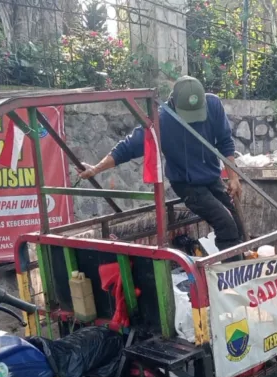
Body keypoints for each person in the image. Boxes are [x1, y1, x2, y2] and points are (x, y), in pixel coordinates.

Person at [78, 76, 245, 256]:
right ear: (173, 103)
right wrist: (96, 168)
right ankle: (232, 274)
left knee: (237, 222)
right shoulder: (161, 119)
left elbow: (225, 142)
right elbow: (128, 147)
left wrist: (234, 178)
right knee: (225, 223)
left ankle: (242, 265)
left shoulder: (213, 105)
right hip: (187, 184)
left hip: (212, 177)